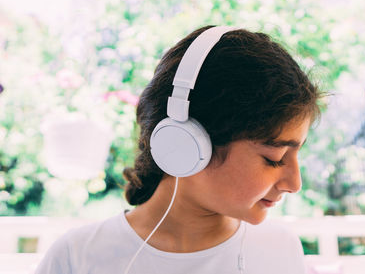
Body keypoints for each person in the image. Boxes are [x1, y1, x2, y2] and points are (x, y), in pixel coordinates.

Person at [35, 25, 321, 274]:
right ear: (188, 141)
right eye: (274, 158)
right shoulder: (76, 257)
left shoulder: (281, 250)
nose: (295, 183)